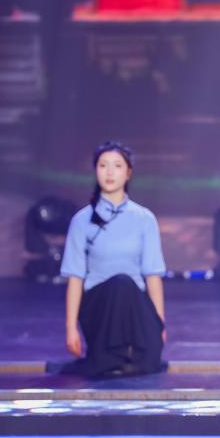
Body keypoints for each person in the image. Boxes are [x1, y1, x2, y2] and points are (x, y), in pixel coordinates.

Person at [56, 141, 167, 377]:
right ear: (95, 171)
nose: (109, 172)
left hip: (135, 305)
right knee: (120, 283)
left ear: (128, 173)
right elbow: (75, 278)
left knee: (148, 361)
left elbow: (153, 276)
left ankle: (127, 354)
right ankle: (111, 355)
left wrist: (160, 323)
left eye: (117, 166)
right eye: (103, 165)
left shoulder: (144, 218)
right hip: (98, 305)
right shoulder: (81, 220)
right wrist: (70, 328)